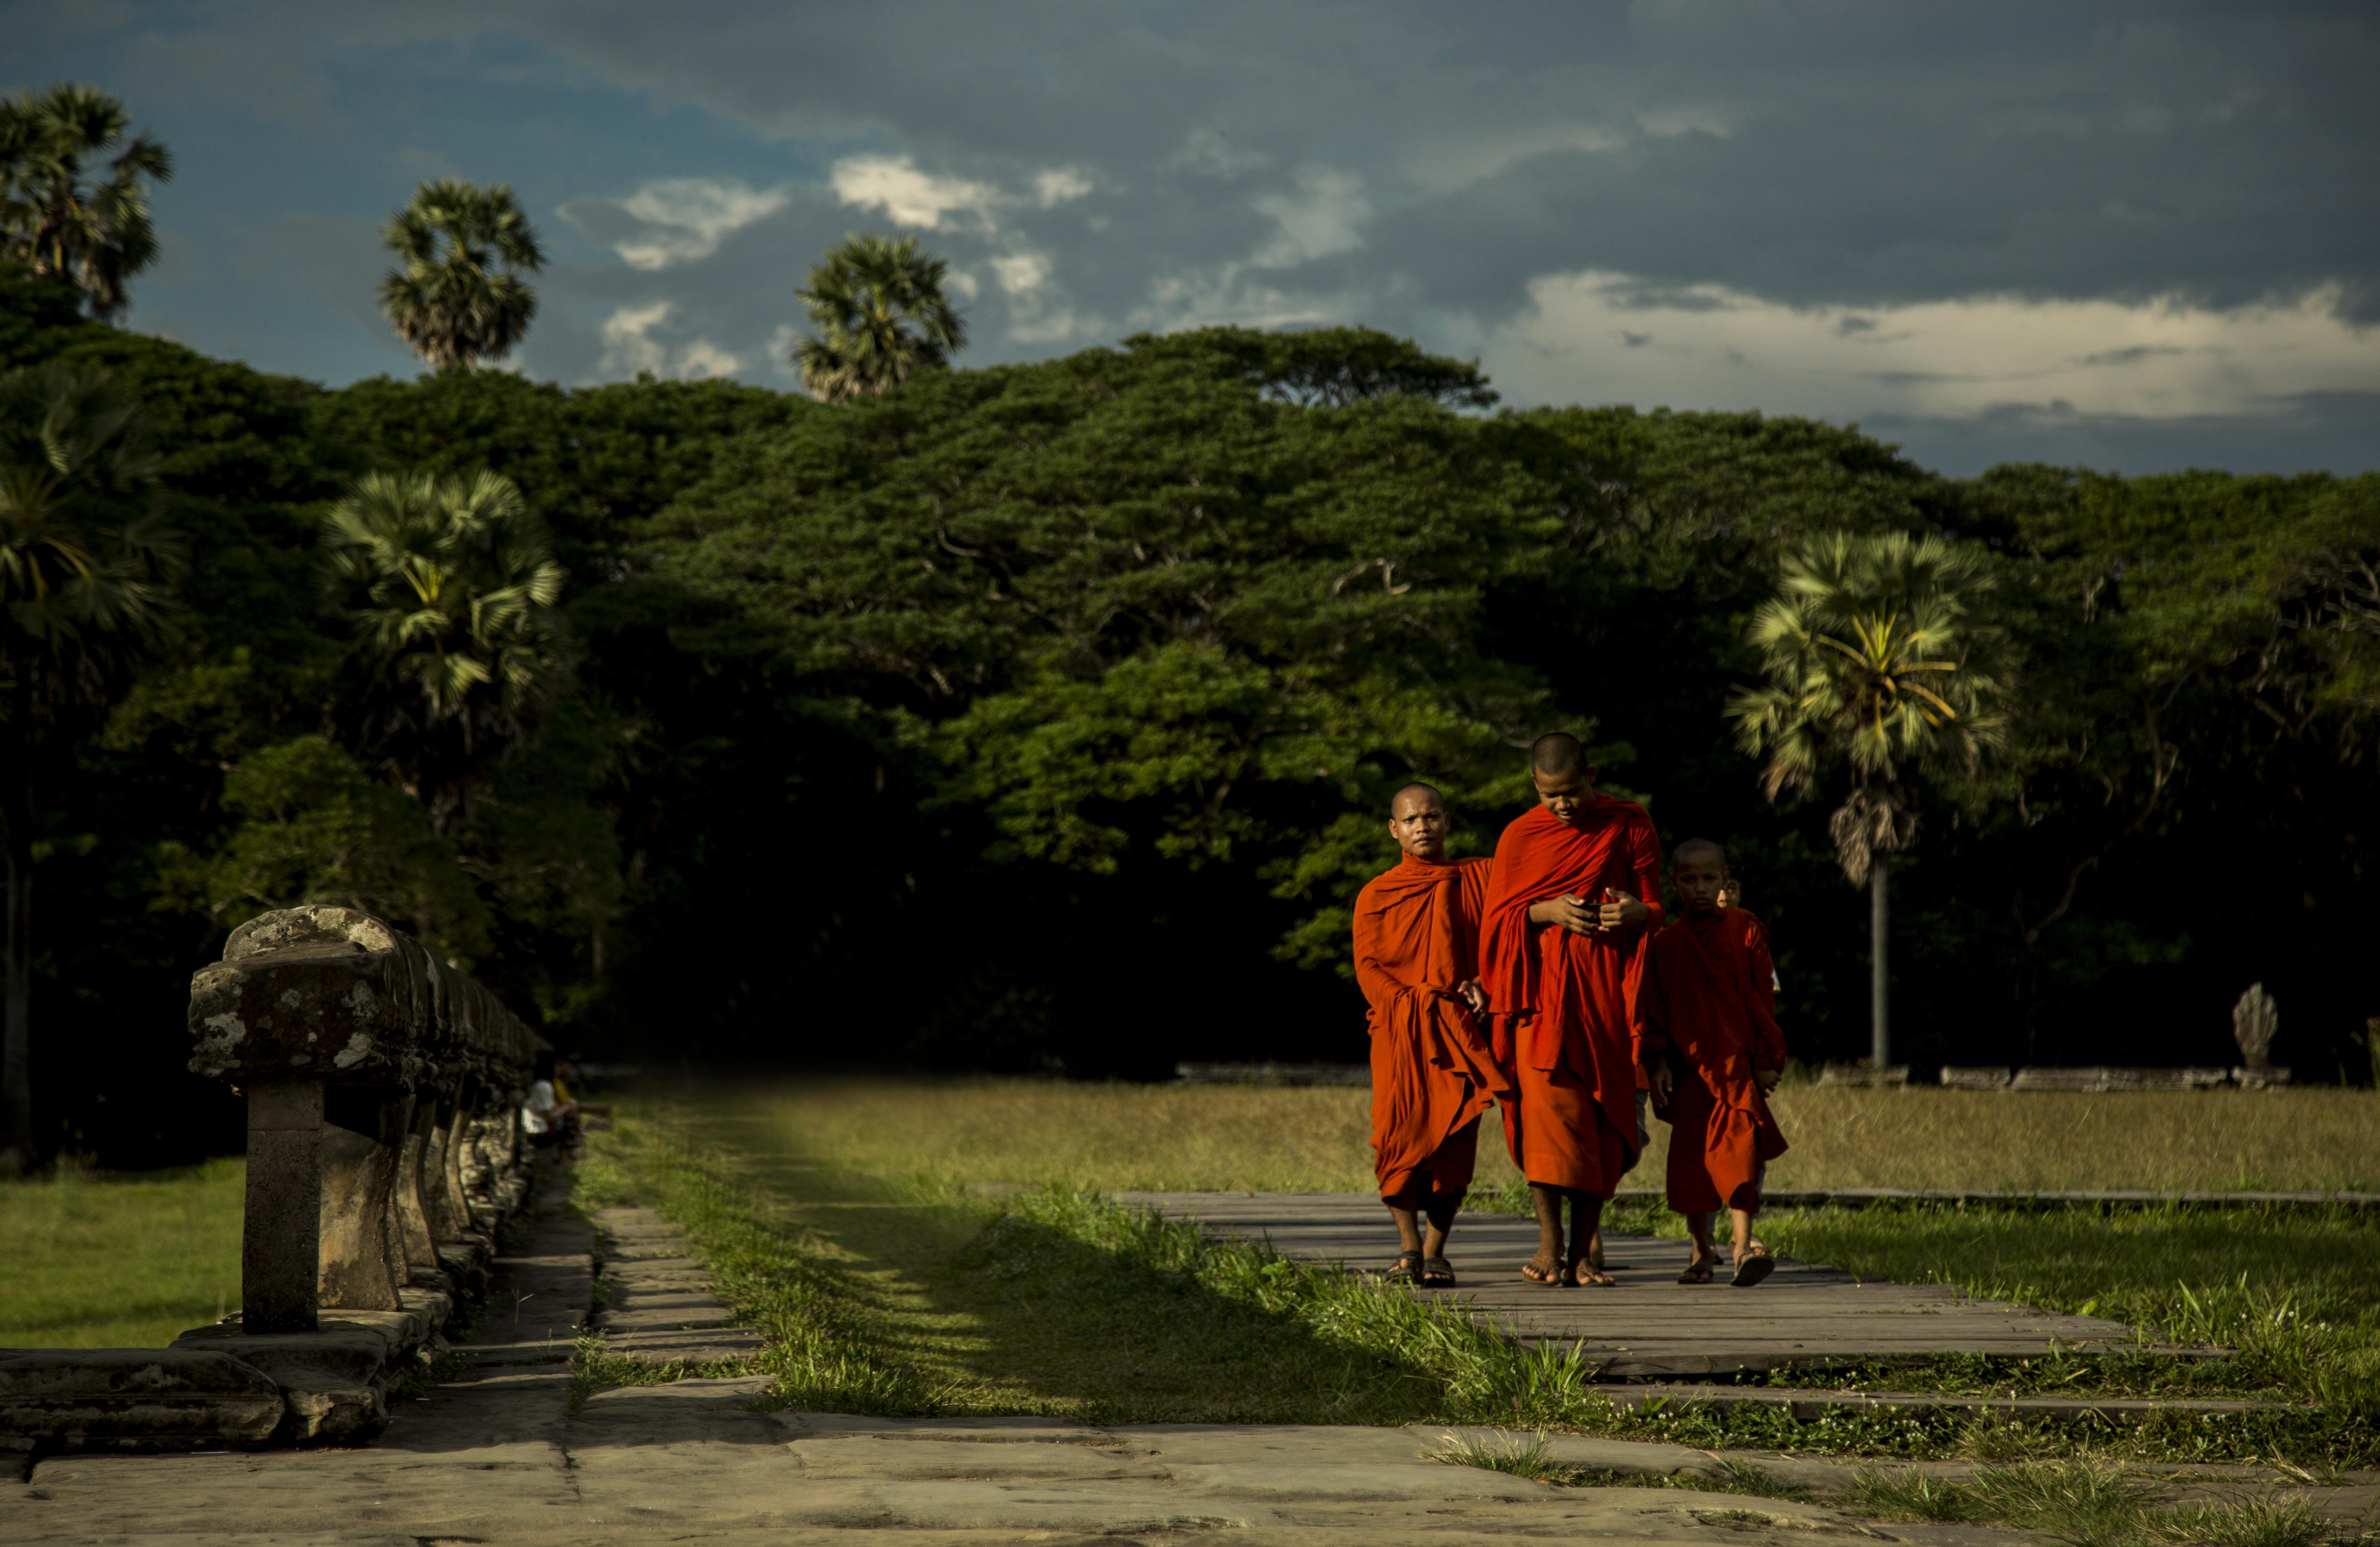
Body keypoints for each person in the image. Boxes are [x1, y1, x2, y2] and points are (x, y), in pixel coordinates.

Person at [1478, 732, 1663, 1287]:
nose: (1562, 806)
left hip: (1607, 994)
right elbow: (1496, 922)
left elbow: (1656, 909)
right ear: (1535, 785)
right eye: (1550, 795)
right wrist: (1546, 911)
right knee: (1546, 1123)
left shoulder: (1630, 823)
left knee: (1603, 1124)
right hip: (1540, 1002)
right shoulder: (1520, 835)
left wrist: (1633, 912)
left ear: (1591, 776)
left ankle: (1583, 1252)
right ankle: (1549, 1241)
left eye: (1572, 793)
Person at [1352, 782, 1509, 1289]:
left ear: (1448, 822)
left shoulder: (1482, 877)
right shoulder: (1377, 894)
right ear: (1394, 830)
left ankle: (1437, 1252)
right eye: (1412, 820)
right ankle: (1407, 1247)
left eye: (1432, 817)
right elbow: (1368, 967)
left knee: (1454, 1142)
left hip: (1459, 1032)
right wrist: (1413, 1001)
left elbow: (1506, 940)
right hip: (1401, 1032)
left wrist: (1486, 982)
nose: (1423, 826)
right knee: (1396, 1138)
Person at [1639, 837, 1789, 1287]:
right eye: (1690, 880)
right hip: (1688, 1073)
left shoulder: (1745, 929)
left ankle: (1743, 1247)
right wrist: (1658, 1062)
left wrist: (1767, 1058)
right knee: (1692, 1164)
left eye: (1709, 879)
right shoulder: (1666, 943)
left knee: (1740, 1156)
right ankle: (1702, 1249)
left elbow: (1764, 999)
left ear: (1725, 880)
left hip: (1737, 1067)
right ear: (1674, 883)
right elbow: (1655, 1009)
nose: (1700, 888)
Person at [520, 1051, 580, 1150]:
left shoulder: (545, 1085)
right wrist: (568, 1106)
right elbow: (549, 1117)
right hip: (536, 1131)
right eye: (556, 1065)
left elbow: (553, 1109)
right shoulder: (543, 1086)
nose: (558, 1068)